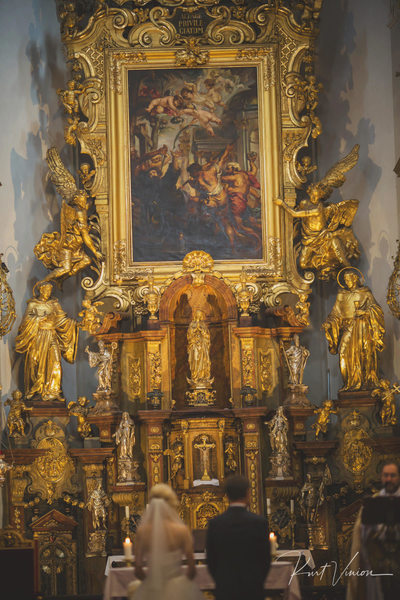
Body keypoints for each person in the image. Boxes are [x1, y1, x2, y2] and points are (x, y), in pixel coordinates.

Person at [128, 483, 203, 600]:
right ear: (171, 503)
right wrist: (182, 585)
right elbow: (192, 569)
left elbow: (138, 569)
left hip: (151, 590)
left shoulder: (142, 532)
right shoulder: (181, 530)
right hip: (179, 590)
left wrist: (150, 583)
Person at [206, 474, 271, 600]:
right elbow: (265, 559)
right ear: (247, 493)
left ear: (227, 495)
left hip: (225, 588)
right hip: (253, 587)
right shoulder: (259, 522)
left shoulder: (215, 523)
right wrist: (257, 580)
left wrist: (221, 581)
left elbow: (211, 560)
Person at [322, 269, 385, 390]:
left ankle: (364, 382)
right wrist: (329, 323)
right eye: (345, 280)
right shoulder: (342, 295)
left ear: (355, 279)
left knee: (363, 353)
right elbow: (335, 313)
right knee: (343, 352)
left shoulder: (365, 293)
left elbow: (377, 310)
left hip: (362, 327)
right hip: (347, 327)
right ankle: (349, 383)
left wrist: (365, 312)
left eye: (349, 279)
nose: (347, 282)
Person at [15, 283, 78, 401]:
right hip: (37, 336)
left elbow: (62, 320)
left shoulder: (54, 304)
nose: (48, 293)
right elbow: (24, 323)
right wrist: (38, 319)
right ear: (41, 290)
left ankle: (54, 391)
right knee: (34, 360)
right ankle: (36, 390)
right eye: (46, 290)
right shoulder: (33, 304)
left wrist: (74, 324)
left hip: (51, 335)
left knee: (55, 362)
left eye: (50, 290)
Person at [347, 461, 400, 600]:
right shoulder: (372, 502)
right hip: (379, 560)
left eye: (392, 475)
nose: (389, 479)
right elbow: (361, 533)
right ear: (381, 477)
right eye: (385, 475)